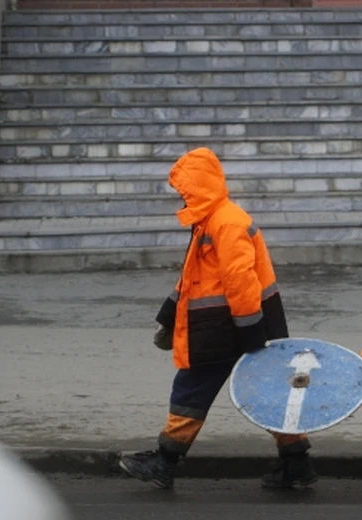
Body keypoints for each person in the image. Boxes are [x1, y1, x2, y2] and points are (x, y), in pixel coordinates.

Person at [119, 147, 317, 490]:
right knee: (266, 391)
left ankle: (164, 461)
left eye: (184, 189)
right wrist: (169, 317)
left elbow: (240, 282)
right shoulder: (212, 220)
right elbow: (191, 277)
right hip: (232, 324)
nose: (181, 196)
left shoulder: (226, 222)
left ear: (200, 186)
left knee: (192, 389)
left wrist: (250, 333)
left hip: (225, 327)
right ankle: (296, 462)